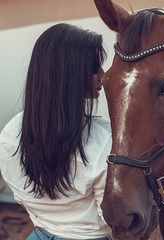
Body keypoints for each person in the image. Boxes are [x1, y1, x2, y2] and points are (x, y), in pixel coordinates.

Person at [0, 23, 112, 240]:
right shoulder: (103, 139)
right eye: (95, 67)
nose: (103, 75)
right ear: (70, 75)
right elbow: (111, 219)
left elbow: (22, 198)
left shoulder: (10, 133)